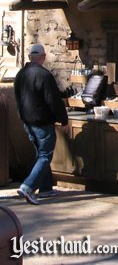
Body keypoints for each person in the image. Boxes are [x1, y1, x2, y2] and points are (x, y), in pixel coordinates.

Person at [13, 43, 68, 205]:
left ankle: (45, 189)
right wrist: (63, 119)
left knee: (41, 154)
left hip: (27, 122)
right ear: (43, 57)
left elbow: (18, 99)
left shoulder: (20, 74)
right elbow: (54, 100)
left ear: (30, 57)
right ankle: (28, 187)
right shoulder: (44, 75)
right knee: (45, 155)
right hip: (42, 122)